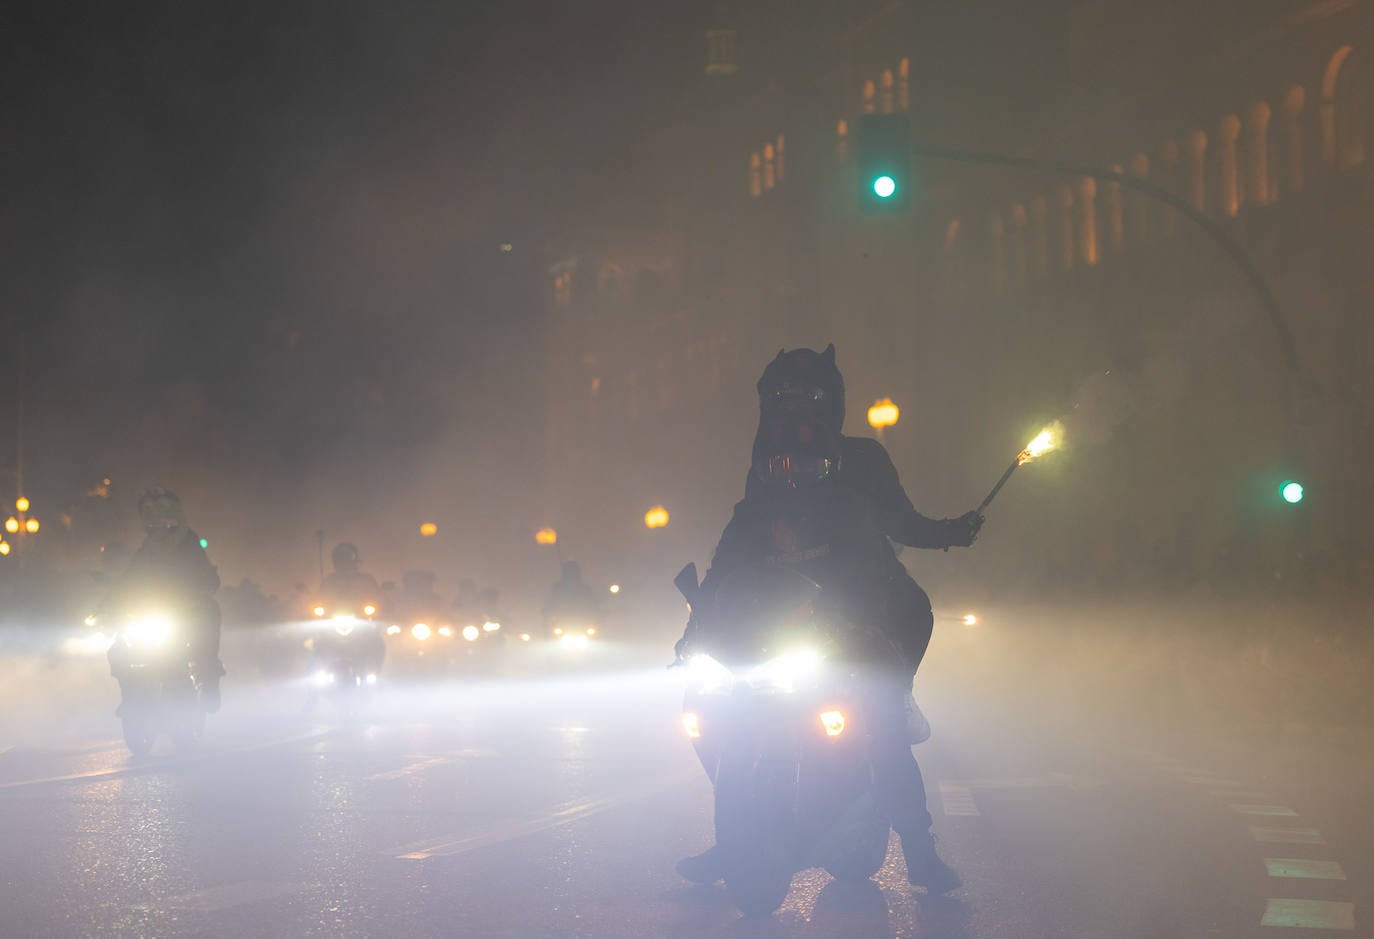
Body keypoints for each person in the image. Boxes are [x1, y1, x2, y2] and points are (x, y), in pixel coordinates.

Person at [673, 345, 982, 893]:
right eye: (779, 466)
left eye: (807, 465)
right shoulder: (756, 500)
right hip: (785, 631)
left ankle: (919, 851)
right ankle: (733, 839)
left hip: (867, 621)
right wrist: (697, 630)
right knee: (707, 707)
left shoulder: (854, 495)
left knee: (881, 724)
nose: (790, 473)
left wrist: (948, 533)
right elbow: (729, 566)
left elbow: (890, 537)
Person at [104, 487, 223, 711]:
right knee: (119, 649)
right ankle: (131, 697)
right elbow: (126, 579)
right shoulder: (146, 550)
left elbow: (207, 574)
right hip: (149, 613)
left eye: (161, 509)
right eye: (148, 510)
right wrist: (105, 605)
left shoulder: (189, 543)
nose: (155, 517)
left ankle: (208, 679)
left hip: (184, 612)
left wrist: (203, 585)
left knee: (208, 613)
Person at [542, 560, 600, 629]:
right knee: (549, 633)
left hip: (582, 624)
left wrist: (597, 611)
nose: (571, 575)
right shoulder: (557, 588)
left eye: (573, 572)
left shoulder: (585, 589)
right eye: (569, 572)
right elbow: (551, 603)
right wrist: (547, 610)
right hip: (562, 623)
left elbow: (592, 604)